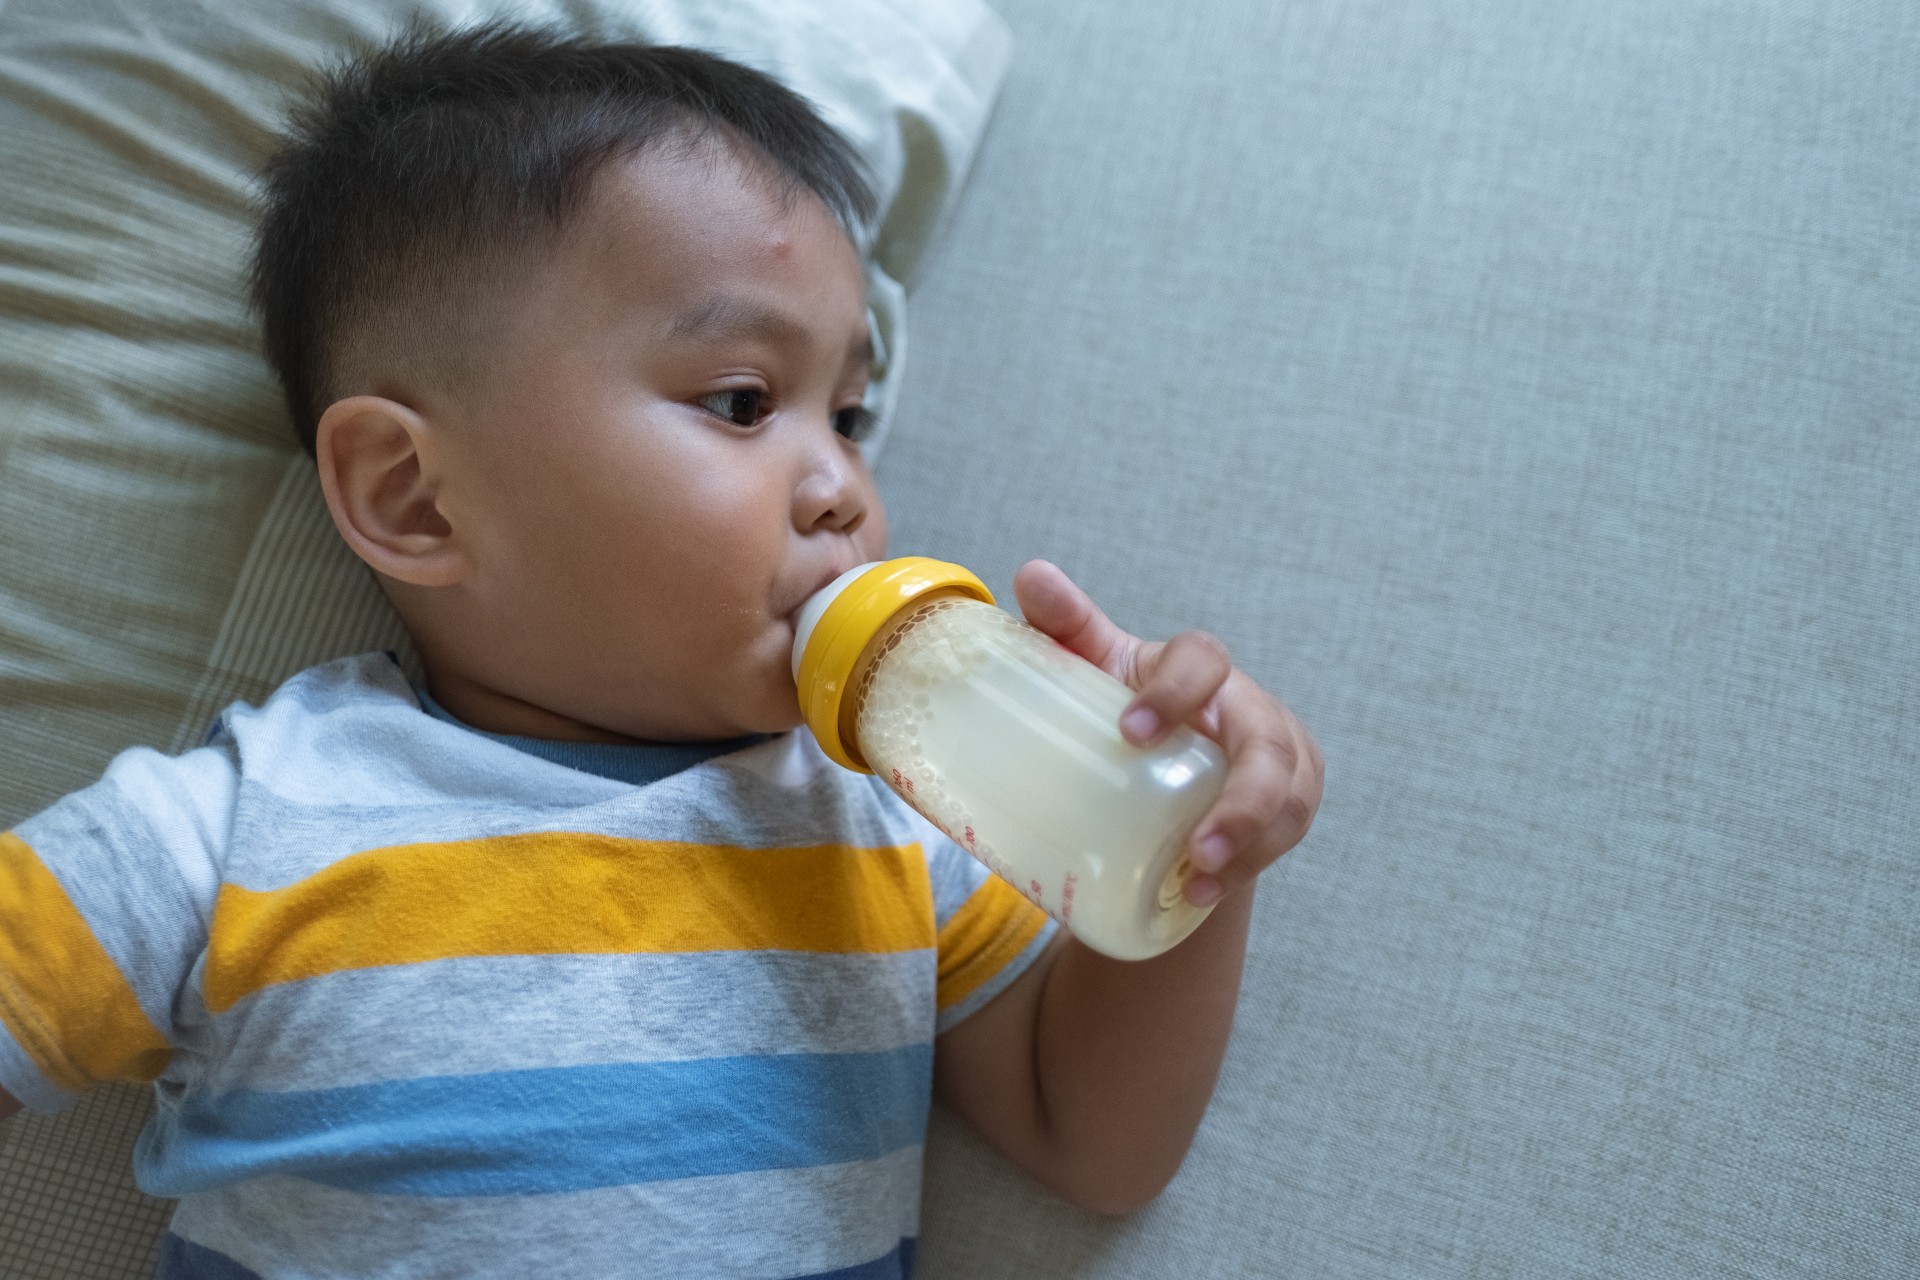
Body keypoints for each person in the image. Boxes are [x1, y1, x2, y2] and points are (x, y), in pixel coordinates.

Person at [0, 22, 1323, 1279]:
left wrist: (1198, 850)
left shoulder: (888, 817)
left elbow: (1092, 1140)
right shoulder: (243, 822)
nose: (842, 489)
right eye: (743, 402)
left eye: (850, 416)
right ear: (415, 496)